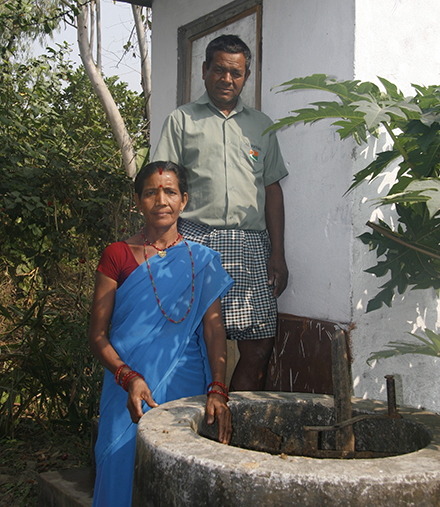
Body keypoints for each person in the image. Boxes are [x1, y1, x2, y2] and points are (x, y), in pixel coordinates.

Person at [88, 161, 233, 507]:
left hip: (185, 387)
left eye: (169, 191)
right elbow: (97, 335)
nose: (161, 200)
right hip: (127, 391)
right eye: (151, 192)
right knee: (119, 470)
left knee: (180, 481)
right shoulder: (117, 255)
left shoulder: (203, 260)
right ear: (138, 201)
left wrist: (218, 388)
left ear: (184, 200)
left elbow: (214, 331)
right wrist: (128, 377)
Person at [153, 34, 288, 391]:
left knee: (259, 342)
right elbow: (163, 188)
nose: (227, 79)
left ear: (246, 76)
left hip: (251, 246)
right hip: (197, 243)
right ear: (204, 70)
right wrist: (160, 247)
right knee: (193, 340)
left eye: (236, 73)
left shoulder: (261, 125)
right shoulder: (181, 121)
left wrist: (278, 252)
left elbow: (272, 189)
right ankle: (195, 421)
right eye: (219, 70)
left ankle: (235, 420)